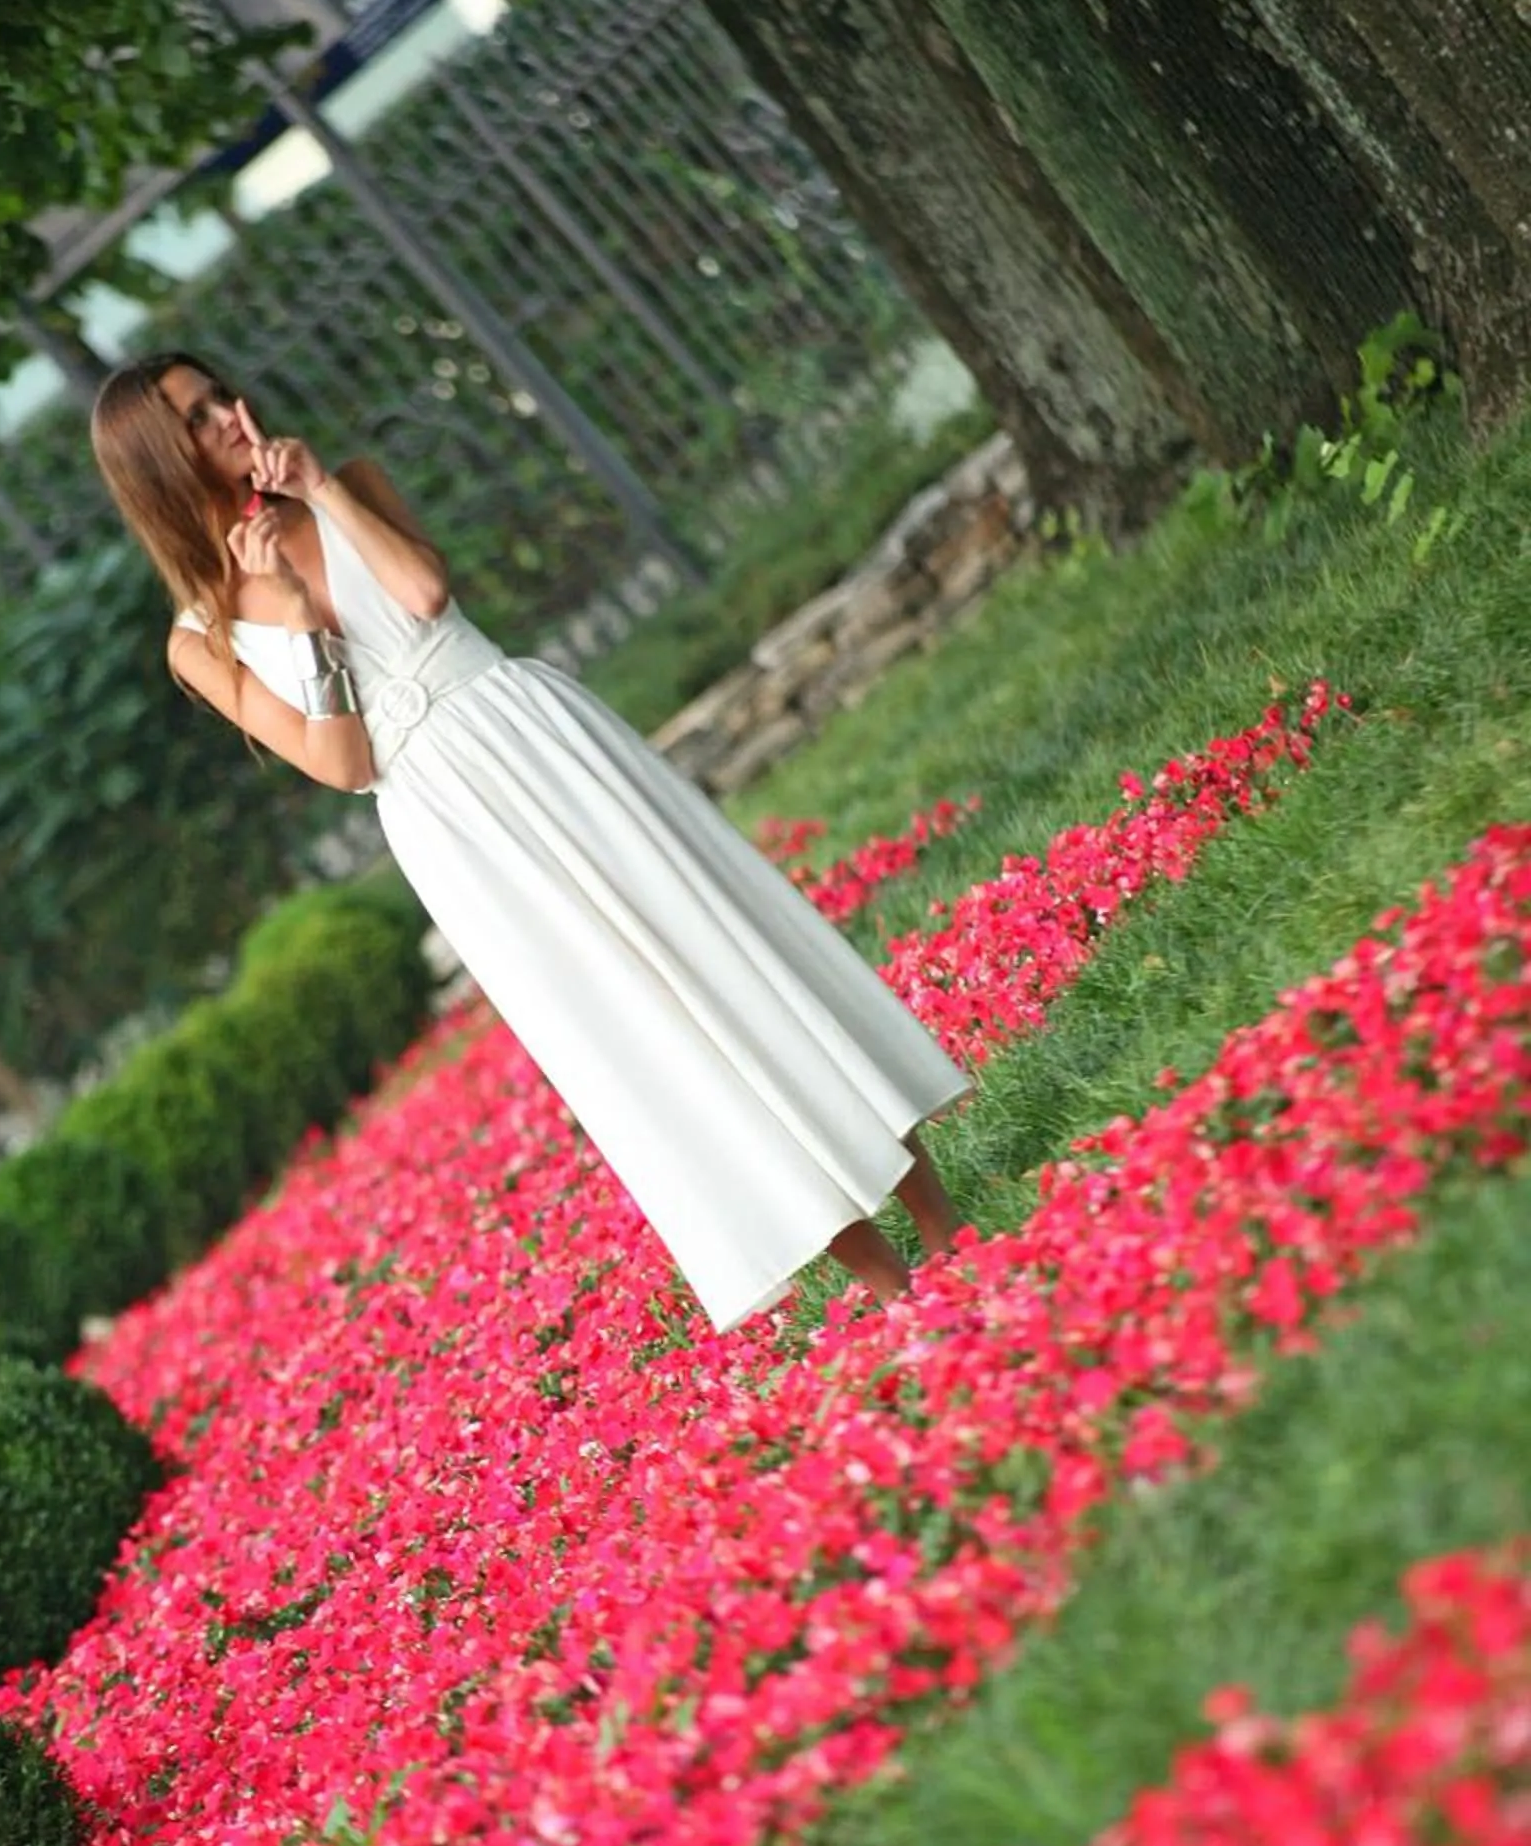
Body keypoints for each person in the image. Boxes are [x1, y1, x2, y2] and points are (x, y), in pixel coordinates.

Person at [90, 350, 972, 1334]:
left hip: (528, 734)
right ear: (160, 463)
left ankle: (942, 1230)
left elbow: (423, 595)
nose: (229, 417)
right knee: (642, 1031)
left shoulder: (353, 487)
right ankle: (884, 1287)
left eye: (220, 395)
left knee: (722, 950)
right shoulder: (199, 639)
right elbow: (339, 765)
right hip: (447, 825)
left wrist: (322, 493)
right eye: (197, 418)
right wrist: (299, 623)